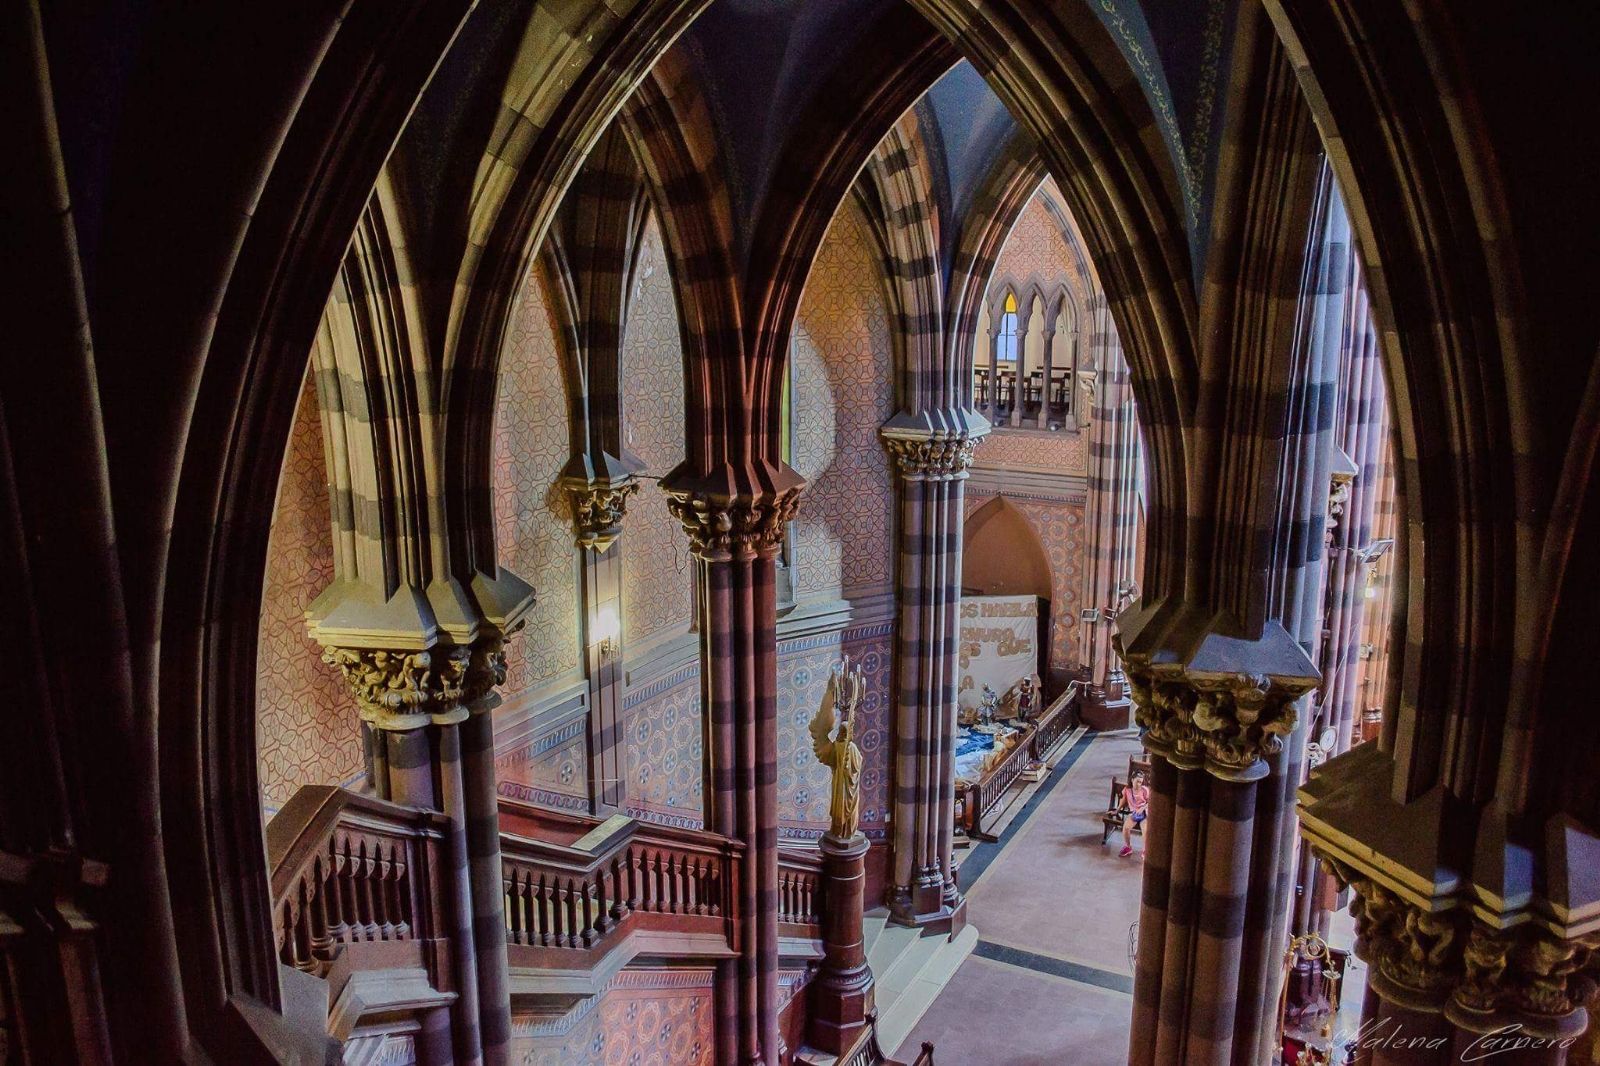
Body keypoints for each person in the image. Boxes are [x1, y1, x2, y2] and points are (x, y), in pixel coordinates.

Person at [1120, 771, 1149, 858]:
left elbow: (1150, 802)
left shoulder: (1144, 790)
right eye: (1137, 781)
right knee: (1126, 828)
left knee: (1145, 830)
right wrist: (1117, 810)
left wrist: (1142, 808)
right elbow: (1123, 800)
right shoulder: (1127, 790)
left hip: (1144, 813)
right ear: (1132, 780)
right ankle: (1128, 847)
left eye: (1141, 782)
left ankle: (1145, 850)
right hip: (1134, 813)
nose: (1139, 784)